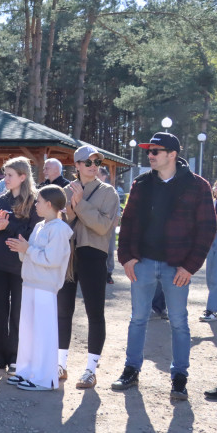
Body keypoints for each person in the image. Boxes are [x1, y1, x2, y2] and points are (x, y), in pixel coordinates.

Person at [112, 132, 216, 400]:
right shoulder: (141, 183)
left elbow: (207, 229)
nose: (150, 155)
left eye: (156, 151)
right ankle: (131, 370)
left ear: (172, 154)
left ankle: (179, 377)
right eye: (149, 151)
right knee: (137, 319)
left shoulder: (198, 186)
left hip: (177, 267)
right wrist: (127, 257)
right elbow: (129, 221)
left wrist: (190, 267)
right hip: (143, 263)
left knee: (179, 322)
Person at [58, 145, 120, 388]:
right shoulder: (64, 190)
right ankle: (60, 365)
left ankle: (90, 370)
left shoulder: (109, 192)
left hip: (94, 255)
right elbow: (60, 221)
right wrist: (71, 208)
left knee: (95, 313)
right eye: (88, 162)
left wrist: (80, 204)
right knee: (63, 311)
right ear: (77, 166)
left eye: (97, 163)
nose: (94, 166)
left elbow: (103, 227)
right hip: (68, 256)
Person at [5, 185, 74, 391]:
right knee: (28, 332)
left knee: (43, 333)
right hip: (30, 282)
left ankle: (45, 379)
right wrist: (22, 249)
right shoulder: (40, 226)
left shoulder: (60, 229)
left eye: (39, 201)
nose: (36, 205)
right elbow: (32, 254)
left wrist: (28, 249)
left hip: (45, 286)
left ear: (49, 204)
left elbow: (51, 259)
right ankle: (26, 372)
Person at [0, 157, 40, 372]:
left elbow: (32, 236)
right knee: (0, 311)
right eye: (4, 174)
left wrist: (7, 226)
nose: (4, 179)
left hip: (21, 266)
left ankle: (17, 355)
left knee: (18, 312)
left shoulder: (34, 202)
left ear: (22, 177)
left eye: (9, 175)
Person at [199, 177, 217, 322]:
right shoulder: (211, 204)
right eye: (216, 187)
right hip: (210, 243)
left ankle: (211, 311)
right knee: (210, 278)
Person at [98, 165, 121, 284]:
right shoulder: (91, 189)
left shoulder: (112, 191)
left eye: (98, 175)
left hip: (109, 226)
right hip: (95, 226)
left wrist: (113, 226)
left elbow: (117, 212)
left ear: (104, 176)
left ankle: (109, 273)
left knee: (110, 250)